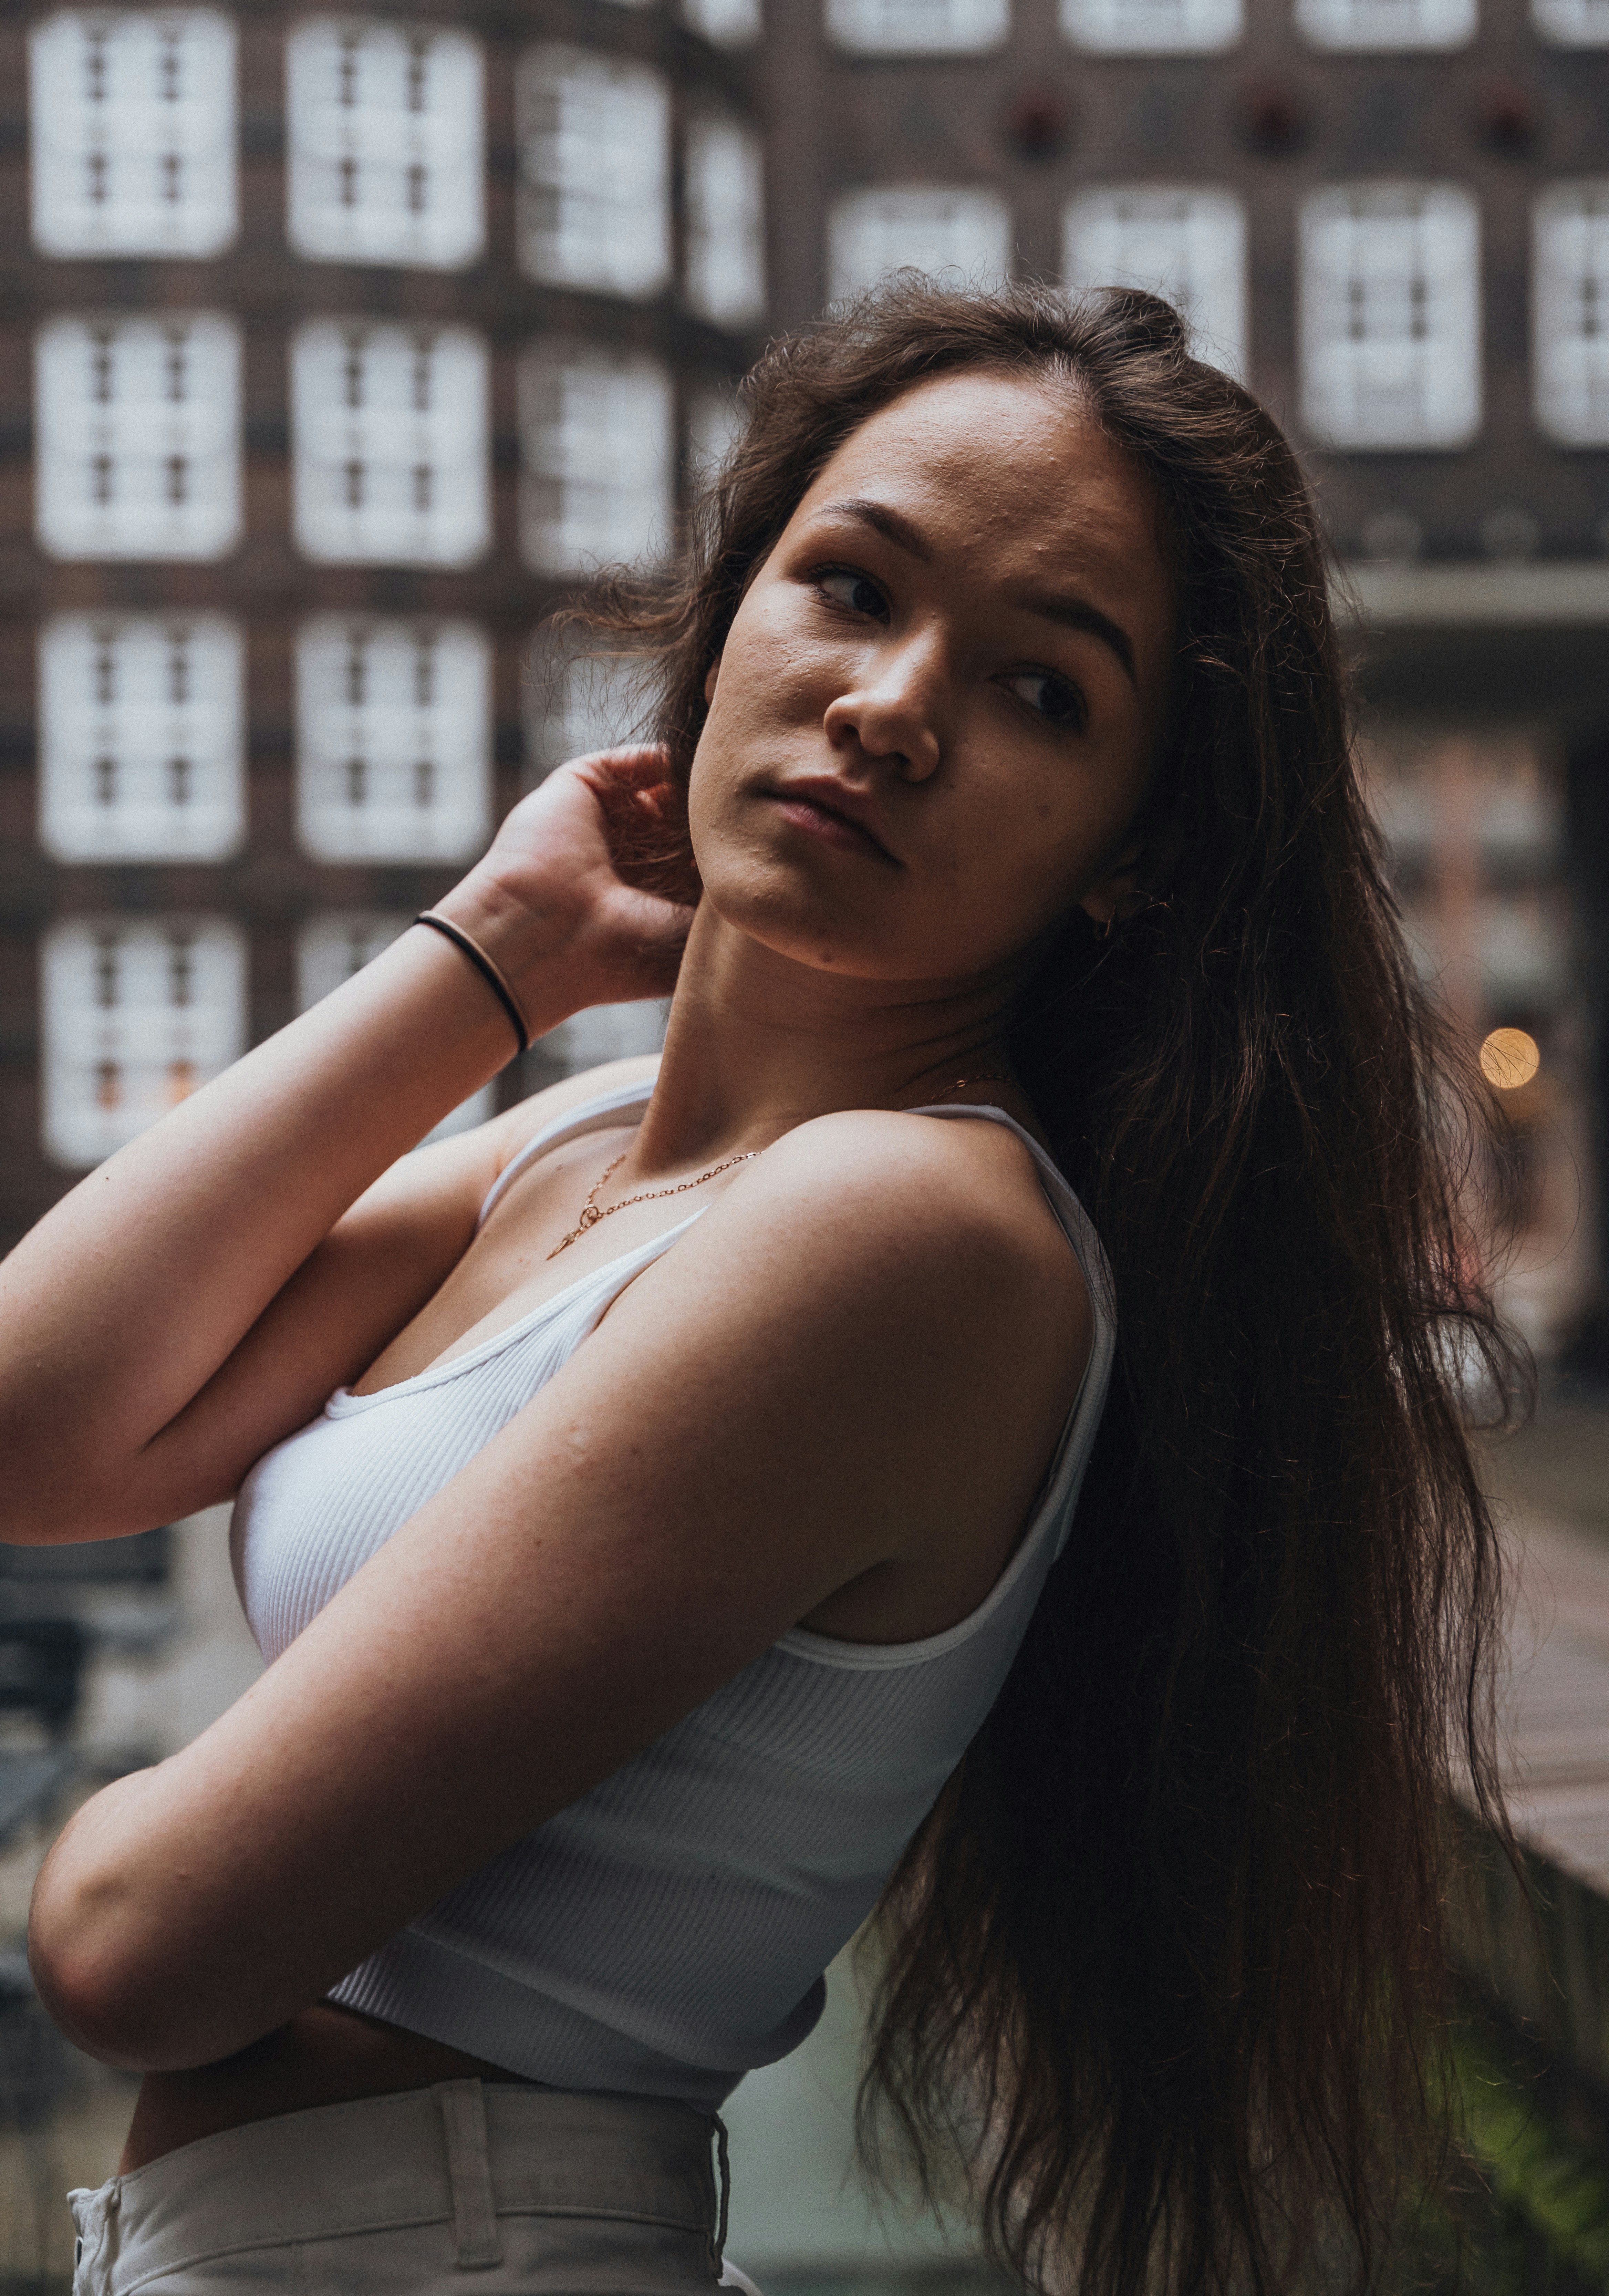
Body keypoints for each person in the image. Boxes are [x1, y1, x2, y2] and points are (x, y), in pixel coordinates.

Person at [1, 283, 1517, 2296]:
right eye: (851, 585)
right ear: (722, 633)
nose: (893, 703)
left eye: (1043, 693)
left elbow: (140, 1948)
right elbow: (39, 1432)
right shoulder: (583, 1147)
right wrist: (501, 946)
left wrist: (111, 1828)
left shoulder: (914, 1238)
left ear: (1130, 858)